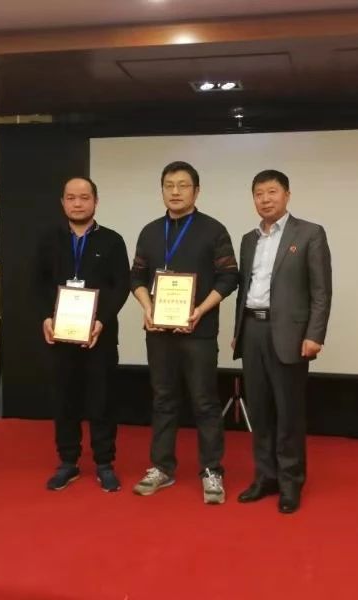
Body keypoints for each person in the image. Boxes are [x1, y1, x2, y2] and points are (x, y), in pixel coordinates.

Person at [130, 161, 238, 504]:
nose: (175, 192)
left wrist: (200, 310)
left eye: (183, 185)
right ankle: (161, 467)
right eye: (169, 185)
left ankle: (212, 470)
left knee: (205, 402)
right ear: (162, 190)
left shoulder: (214, 230)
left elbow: (229, 277)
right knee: (163, 400)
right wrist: (147, 306)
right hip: (159, 333)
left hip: (198, 332)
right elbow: (137, 276)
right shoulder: (150, 231)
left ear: (197, 191)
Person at [233, 169, 332, 514]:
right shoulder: (248, 239)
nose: (265, 199)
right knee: (259, 412)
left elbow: (321, 291)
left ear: (287, 195)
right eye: (259, 193)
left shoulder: (309, 233)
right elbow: (245, 289)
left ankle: (291, 483)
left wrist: (314, 334)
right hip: (252, 331)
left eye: (272, 192)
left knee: (289, 414)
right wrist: (238, 331)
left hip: (289, 335)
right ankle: (265, 477)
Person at [35, 177, 130, 492]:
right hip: (60, 335)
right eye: (71, 197)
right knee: (64, 399)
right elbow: (37, 283)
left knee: (102, 400)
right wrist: (46, 317)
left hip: (99, 336)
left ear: (95, 201)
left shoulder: (112, 241)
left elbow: (121, 285)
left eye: (85, 197)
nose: (78, 203)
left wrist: (101, 320)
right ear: (62, 202)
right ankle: (68, 462)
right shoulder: (48, 239)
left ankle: (104, 463)